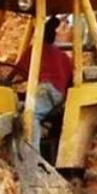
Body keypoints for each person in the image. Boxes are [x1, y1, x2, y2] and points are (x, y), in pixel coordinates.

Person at [18, 17, 73, 147]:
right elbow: (70, 80)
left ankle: (32, 158)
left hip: (47, 89)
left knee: (30, 115)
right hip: (60, 95)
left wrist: (7, 80)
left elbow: (18, 72)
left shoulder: (35, 50)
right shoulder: (63, 56)